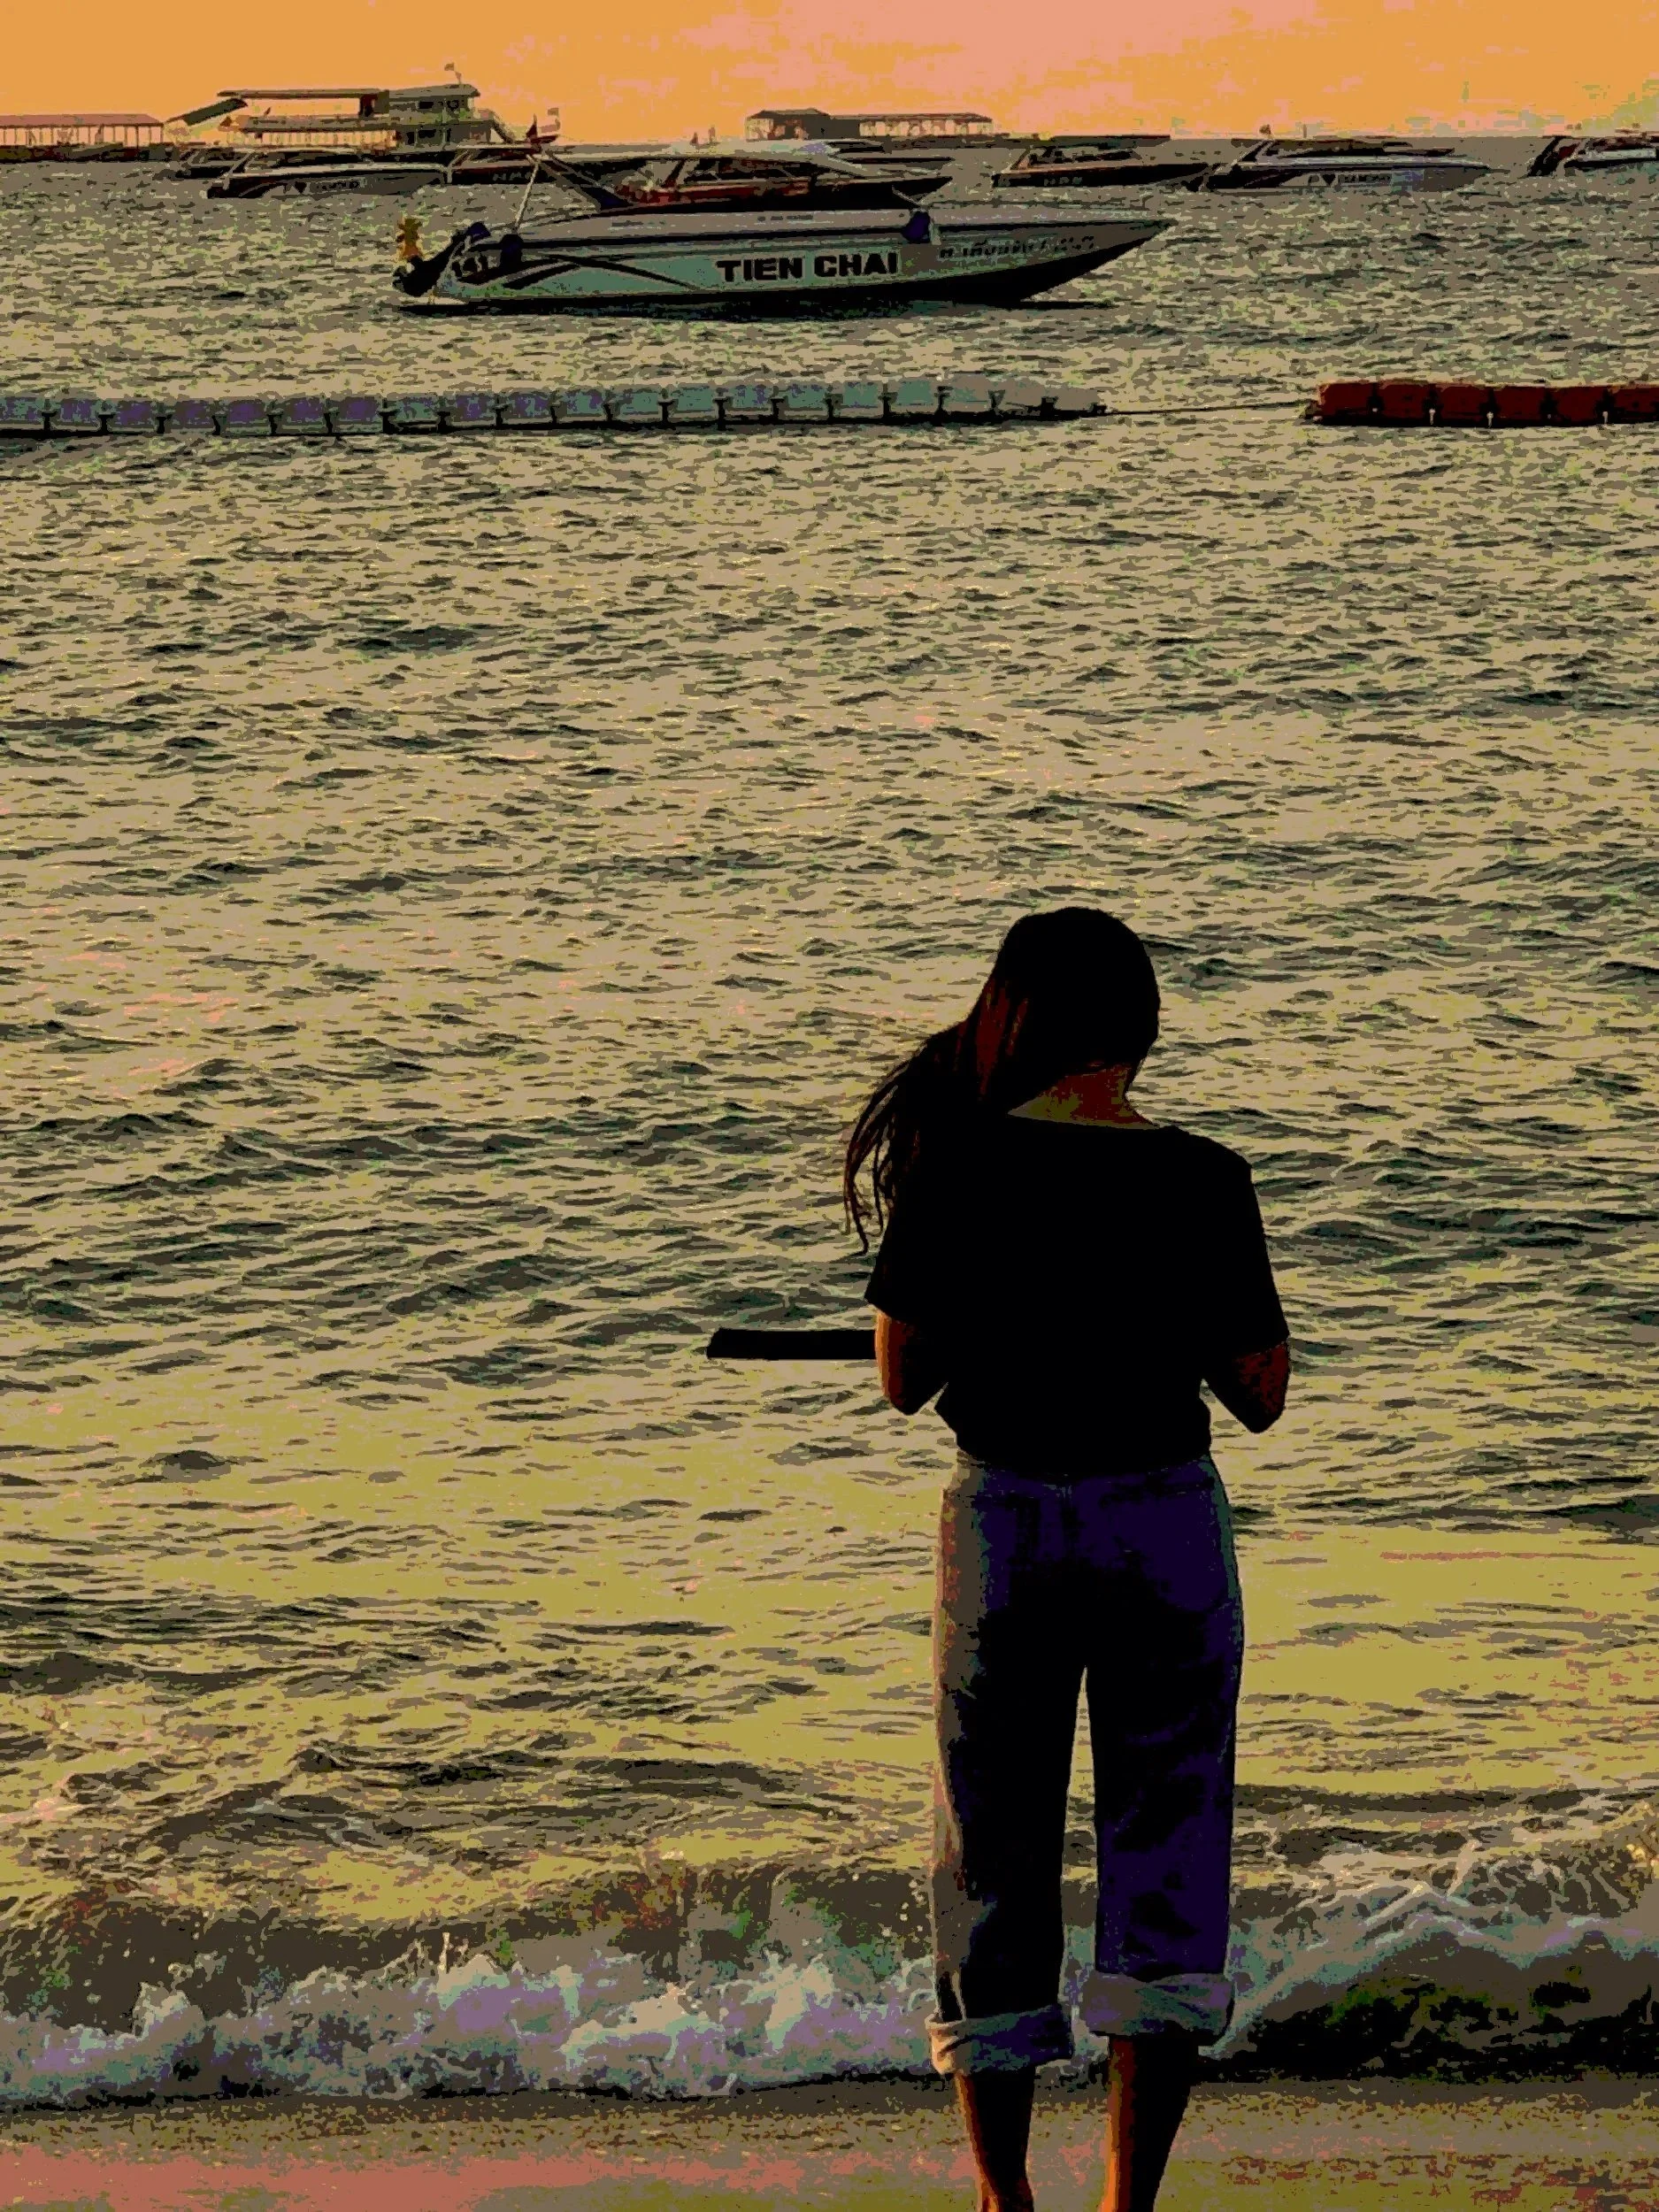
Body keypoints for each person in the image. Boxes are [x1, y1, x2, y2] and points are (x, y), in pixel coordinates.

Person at [843, 908, 1288, 2212]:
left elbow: (901, 1379)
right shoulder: (1203, 1176)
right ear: (1138, 1030)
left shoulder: (959, 1166)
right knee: (1166, 1844)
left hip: (1007, 1527)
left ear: (1015, 1020)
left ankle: (1001, 2196)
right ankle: (1125, 2207)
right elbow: (1257, 1391)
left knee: (991, 1856)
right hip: (1160, 1520)